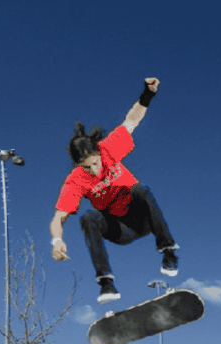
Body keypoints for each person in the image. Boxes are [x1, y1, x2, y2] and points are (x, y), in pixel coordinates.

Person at [50, 78, 179, 304]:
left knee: (141, 190)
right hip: (120, 230)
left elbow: (132, 120)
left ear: (99, 152)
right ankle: (106, 284)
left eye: (95, 163)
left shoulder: (109, 148)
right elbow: (59, 217)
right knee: (88, 217)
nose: (93, 170)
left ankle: (168, 252)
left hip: (143, 219)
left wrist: (148, 93)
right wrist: (57, 241)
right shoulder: (75, 181)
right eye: (86, 167)